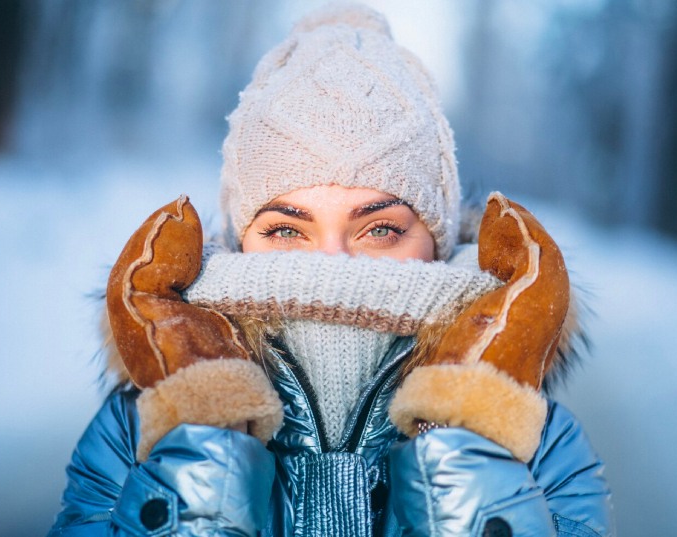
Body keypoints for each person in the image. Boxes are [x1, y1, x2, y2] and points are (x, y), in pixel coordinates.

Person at [49, 4, 613, 536]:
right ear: (241, 238)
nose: (332, 266)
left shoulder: (535, 441)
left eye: (381, 229)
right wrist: (202, 444)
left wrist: (466, 445)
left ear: (436, 241)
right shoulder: (143, 428)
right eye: (288, 230)